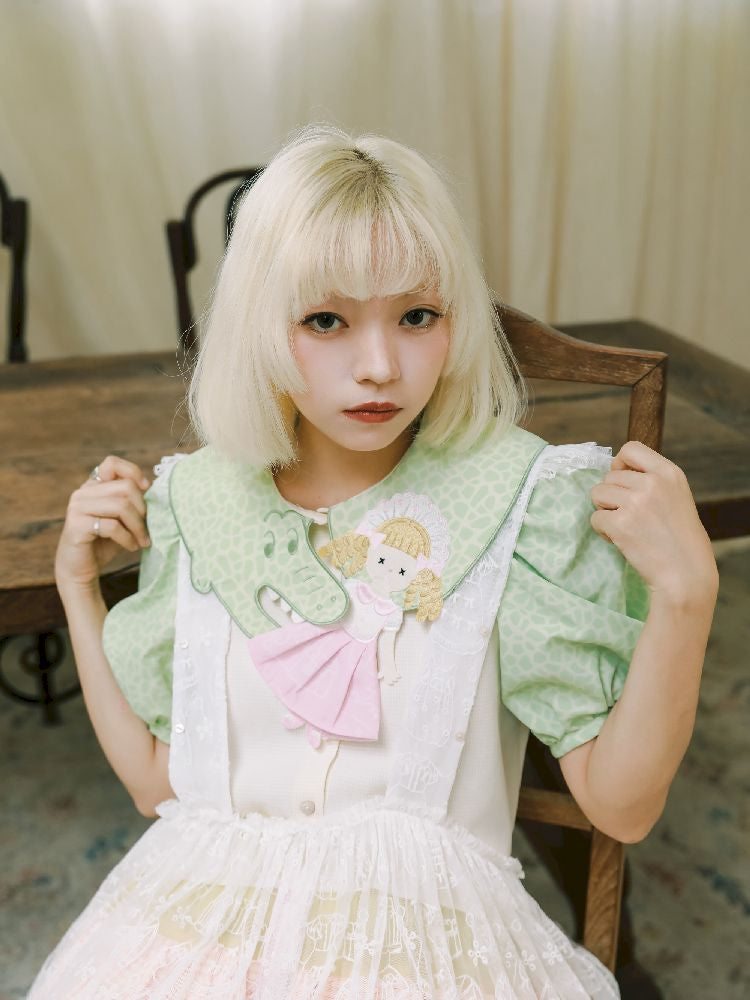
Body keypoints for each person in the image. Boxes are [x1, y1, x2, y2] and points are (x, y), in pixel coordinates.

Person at [31, 123, 719, 999]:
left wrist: (687, 594)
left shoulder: (521, 502)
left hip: (424, 959)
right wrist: (77, 588)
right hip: (192, 937)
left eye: (417, 316)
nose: (380, 367)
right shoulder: (197, 501)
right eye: (326, 320)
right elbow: (156, 785)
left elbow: (622, 806)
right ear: (259, 326)